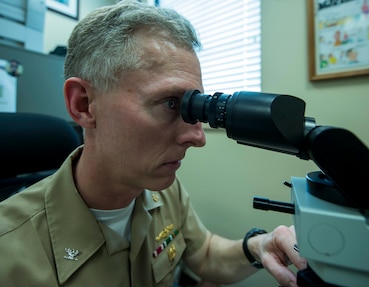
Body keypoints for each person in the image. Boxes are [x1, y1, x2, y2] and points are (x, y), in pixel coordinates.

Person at [0, 1, 306, 286]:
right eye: (171, 103)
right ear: (84, 105)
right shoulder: (9, 250)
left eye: (193, 106)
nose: (197, 138)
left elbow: (206, 253)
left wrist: (258, 246)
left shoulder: (163, 188)